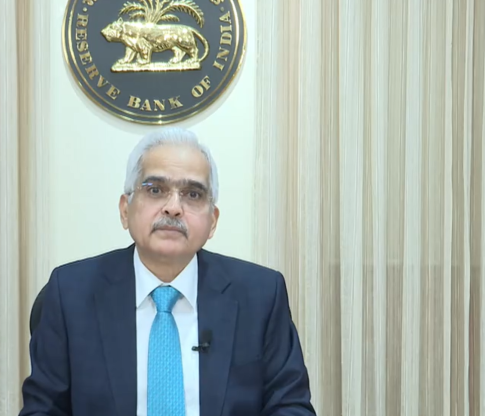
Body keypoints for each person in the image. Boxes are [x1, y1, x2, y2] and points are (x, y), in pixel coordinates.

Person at [19, 128, 317, 416]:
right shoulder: (71, 294)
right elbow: (42, 409)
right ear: (125, 210)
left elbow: (290, 406)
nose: (173, 208)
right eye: (155, 190)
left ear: (212, 222)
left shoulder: (261, 296)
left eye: (193, 194)